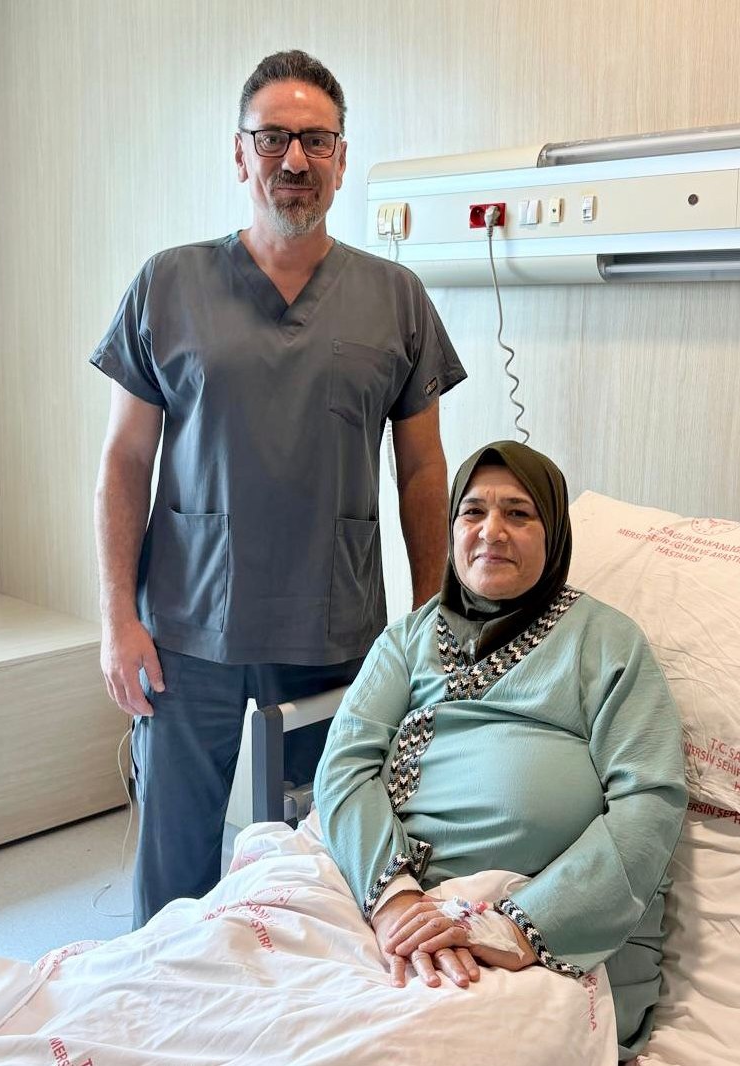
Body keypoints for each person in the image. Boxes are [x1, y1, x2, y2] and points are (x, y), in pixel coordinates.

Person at [91, 49, 466, 927]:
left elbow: (422, 468)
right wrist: (117, 618)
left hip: (335, 627)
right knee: (175, 869)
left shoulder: (396, 298)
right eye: (272, 138)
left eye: (315, 140)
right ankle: (167, 995)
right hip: (190, 625)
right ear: (240, 153)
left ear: (341, 157)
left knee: (329, 862)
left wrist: (432, 620)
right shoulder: (168, 284)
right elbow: (124, 461)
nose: (294, 159)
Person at [314, 441, 687, 1062]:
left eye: (518, 513)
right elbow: (344, 767)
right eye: (473, 511)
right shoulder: (407, 640)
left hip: (545, 925)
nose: (492, 531)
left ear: (554, 534)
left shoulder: (607, 644)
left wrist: (517, 927)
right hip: (385, 892)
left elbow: (650, 801)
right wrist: (395, 899)